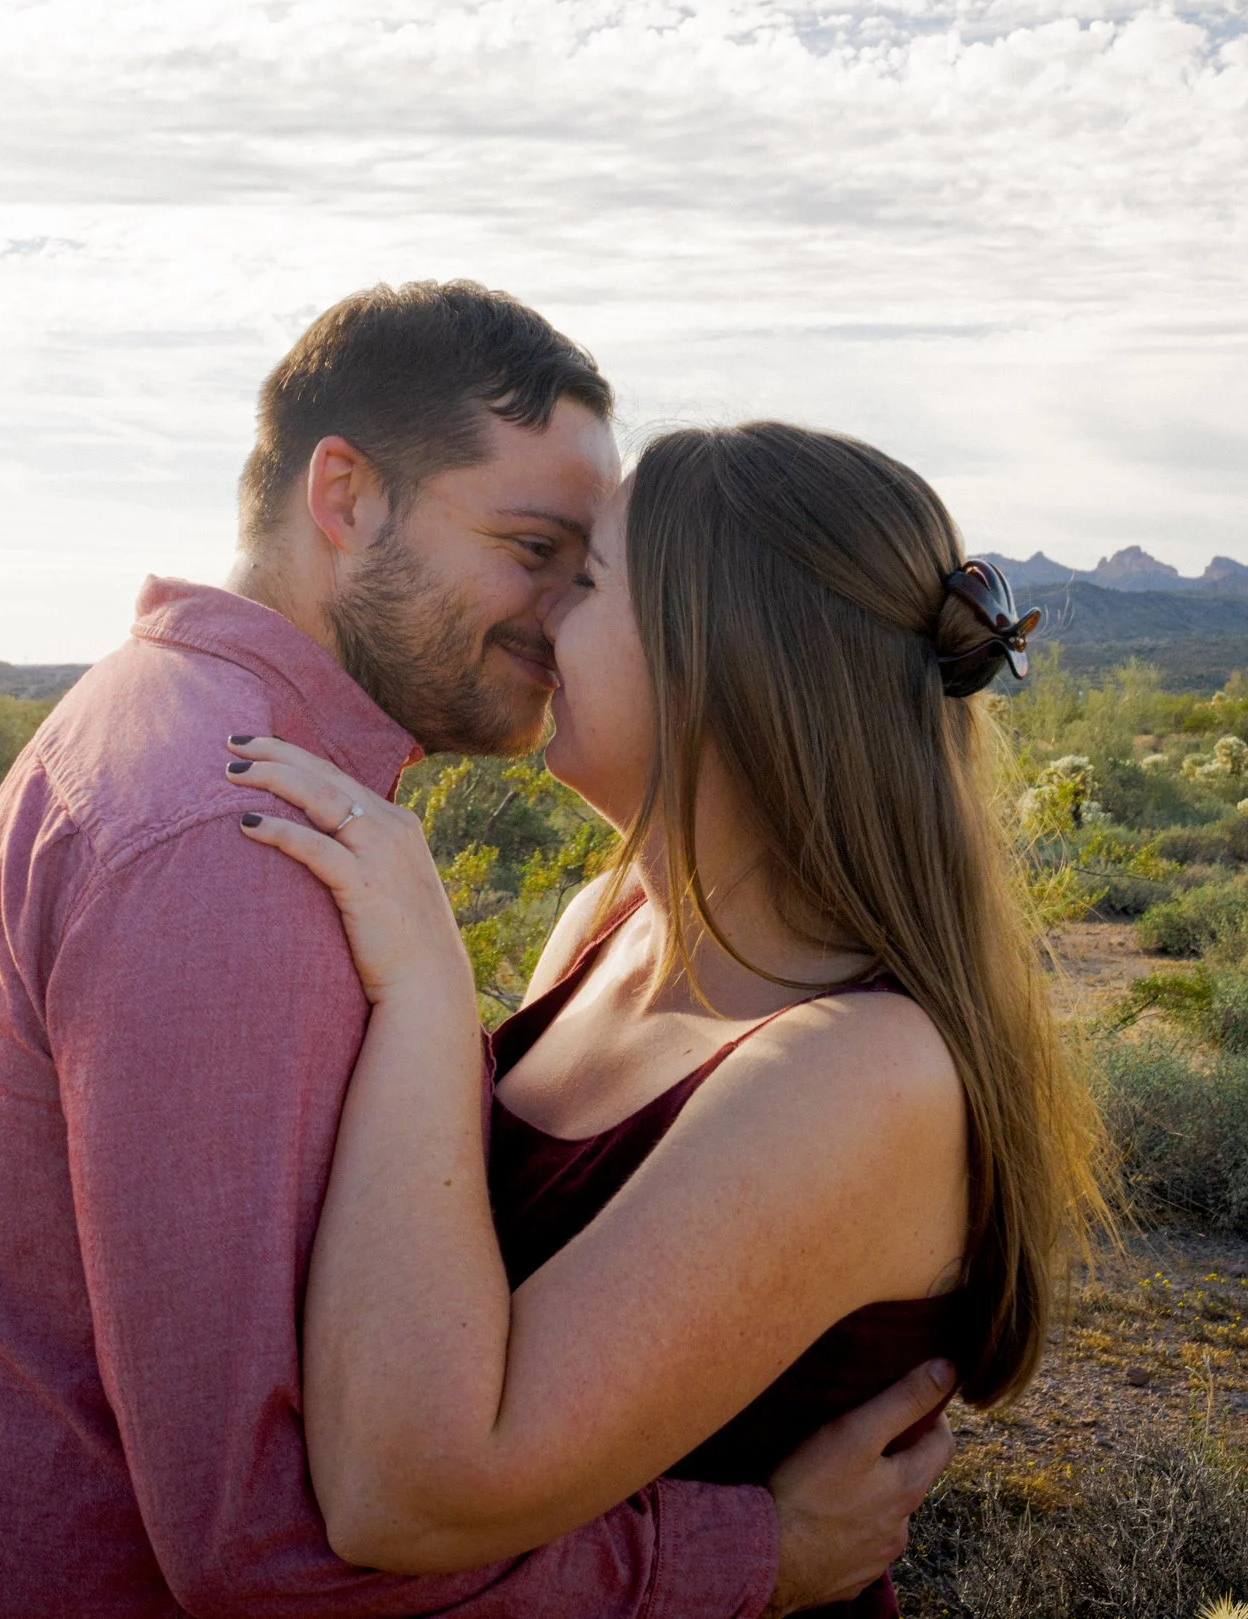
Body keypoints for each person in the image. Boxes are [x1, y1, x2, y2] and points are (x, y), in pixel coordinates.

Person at [0, 285, 956, 1619]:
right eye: (536, 546)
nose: (555, 612)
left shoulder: (221, 764)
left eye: (587, 573)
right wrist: (754, 1554)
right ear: (348, 497)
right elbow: (280, 1535)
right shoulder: (234, 832)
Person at [230, 422, 1107, 1617]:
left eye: (584, 581)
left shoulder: (860, 1075)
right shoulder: (605, 922)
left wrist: (431, 997)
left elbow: (409, 1493)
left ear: (724, 665)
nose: (539, 616)